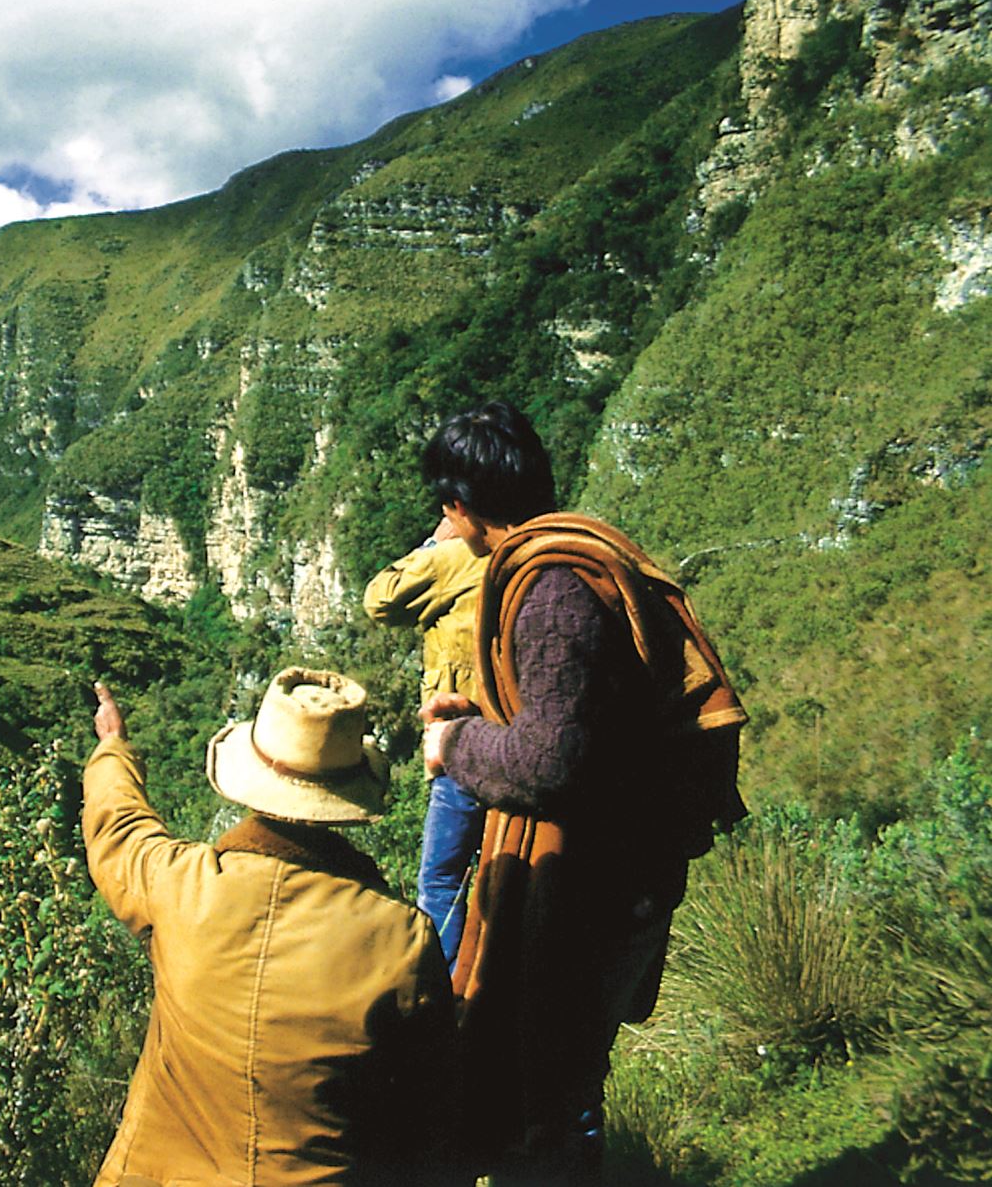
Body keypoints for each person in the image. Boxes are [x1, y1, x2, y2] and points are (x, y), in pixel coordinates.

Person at [417, 401, 746, 1184]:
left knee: (552, 1084)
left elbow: (554, 759)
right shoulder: (574, 554)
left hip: (594, 883)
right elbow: (574, 714)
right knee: (562, 1072)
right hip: (620, 867)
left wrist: (455, 743)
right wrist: (487, 714)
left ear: (459, 506)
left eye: (444, 500)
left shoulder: (551, 591)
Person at [83, 669, 465, 1186]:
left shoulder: (179, 885)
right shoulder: (400, 938)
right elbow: (430, 1116)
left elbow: (119, 826)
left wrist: (114, 747)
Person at [363, 515, 487, 972]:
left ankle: (444, 990)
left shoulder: (456, 558)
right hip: (520, 738)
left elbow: (379, 599)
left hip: (460, 745)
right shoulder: (539, 554)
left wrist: (436, 540)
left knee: (441, 880)